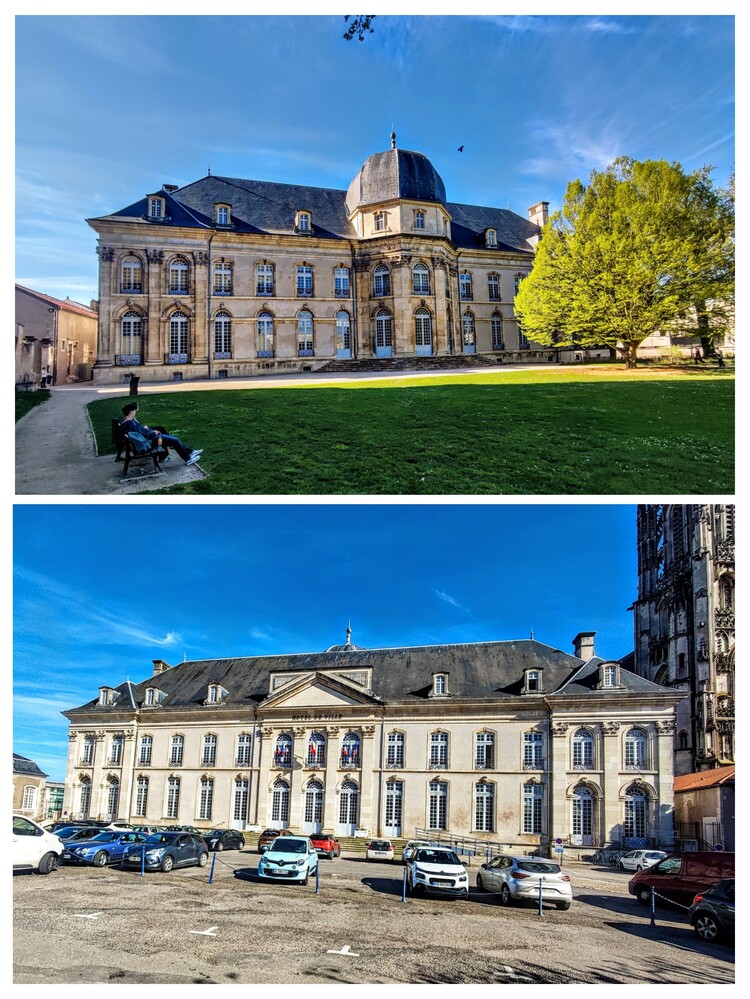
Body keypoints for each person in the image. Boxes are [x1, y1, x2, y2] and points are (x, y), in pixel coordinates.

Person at [119, 402, 203, 465]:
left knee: (168, 437)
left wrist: (151, 431)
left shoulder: (127, 422)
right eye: (134, 411)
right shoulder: (130, 424)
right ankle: (187, 458)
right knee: (174, 440)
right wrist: (153, 433)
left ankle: (185, 452)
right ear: (130, 412)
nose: (135, 412)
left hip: (147, 442)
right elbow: (142, 436)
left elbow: (140, 433)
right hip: (149, 443)